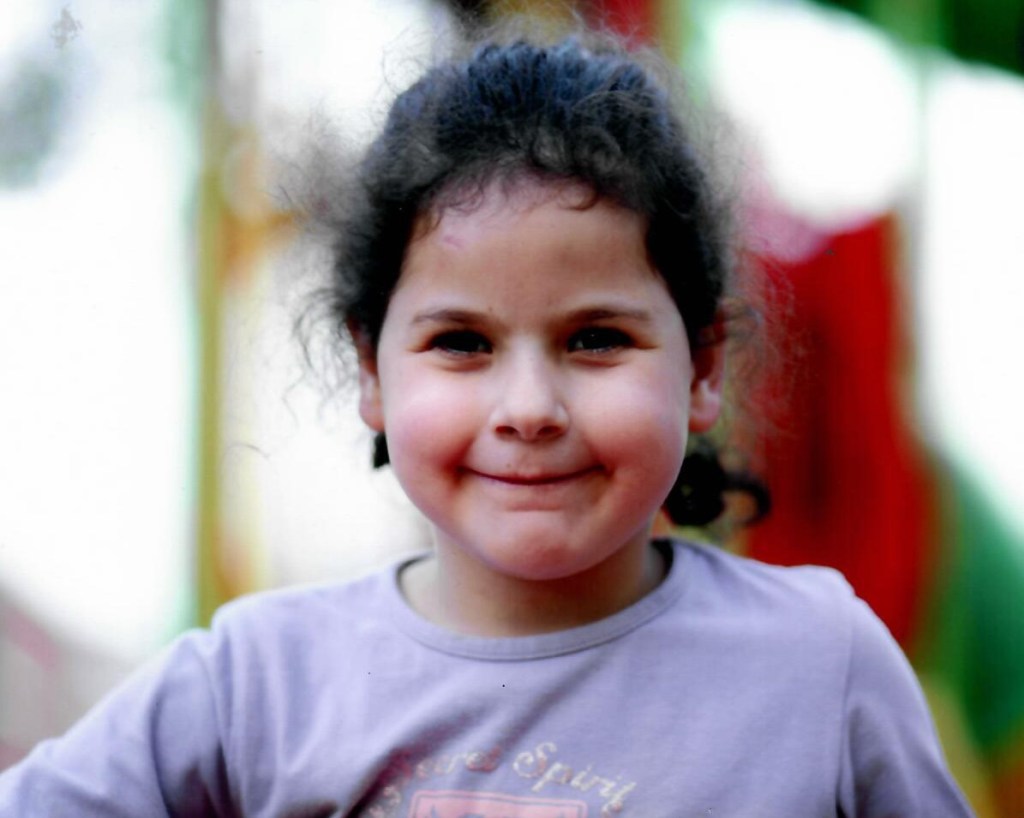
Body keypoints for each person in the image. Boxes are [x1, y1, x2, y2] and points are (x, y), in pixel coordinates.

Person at [0, 29, 973, 818]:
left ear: (704, 367)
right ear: (370, 371)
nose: (529, 408)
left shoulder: (818, 666)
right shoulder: (257, 684)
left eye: (595, 339)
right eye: (462, 342)